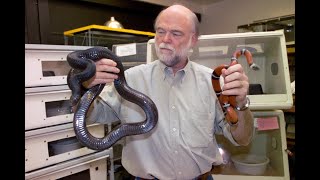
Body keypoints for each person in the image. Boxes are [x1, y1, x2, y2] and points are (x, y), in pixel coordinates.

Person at [82, 4, 254, 180]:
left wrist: (240, 104)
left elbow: (243, 139)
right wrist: (87, 88)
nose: (165, 39)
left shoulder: (213, 81)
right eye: (160, 31)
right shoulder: (130, 79)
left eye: (176, 33)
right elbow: (91, 115)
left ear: (193, 40)